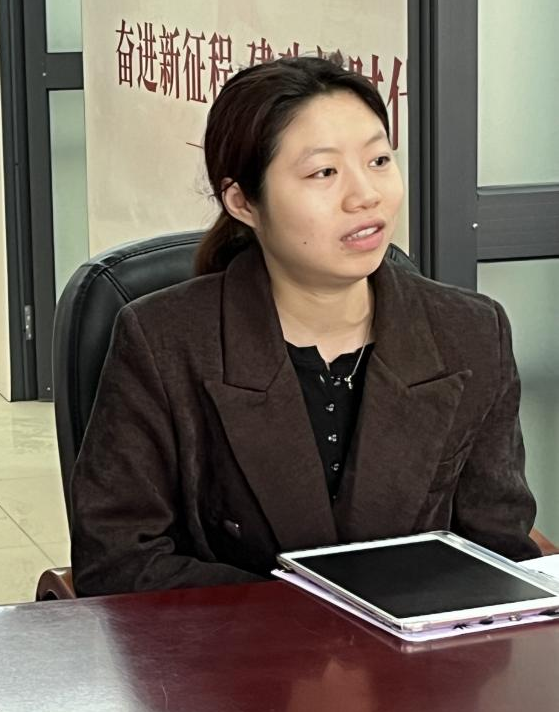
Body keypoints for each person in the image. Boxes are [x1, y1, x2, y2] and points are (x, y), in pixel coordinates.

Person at [71, 55, 539, 596]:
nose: (365, 195)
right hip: (243, 647)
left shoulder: (471, 332)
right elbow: (117, 561)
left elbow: (498, 549)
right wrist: (305, 621)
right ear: (243, 202)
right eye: (324, 172)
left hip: (418, 648)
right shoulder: (163, 339)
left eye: (379, 160)